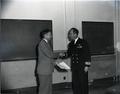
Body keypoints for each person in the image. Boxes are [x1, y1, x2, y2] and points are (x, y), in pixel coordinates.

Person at [60, 28, 91, 94]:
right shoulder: (71, 44)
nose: (69, 35)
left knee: (83, 83)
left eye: (70, 34)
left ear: (75, 34)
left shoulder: (83, 42)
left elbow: (87, 54)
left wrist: (87, 66)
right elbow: (69, 53)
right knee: (75, 83)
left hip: (82, 66)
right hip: (74, 67)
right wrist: (63, 54)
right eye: (69, 34)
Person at [37, 29, 59, 94]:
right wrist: (59, 54)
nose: (51, 36)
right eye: (50, 35)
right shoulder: (42, 43)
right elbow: (49, 54)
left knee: (48, 88)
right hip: (44, 71)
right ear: (45, 35)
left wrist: (54, 63)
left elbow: (46, 57)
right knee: (44, 89)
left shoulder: (47, 43)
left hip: (48, 70)